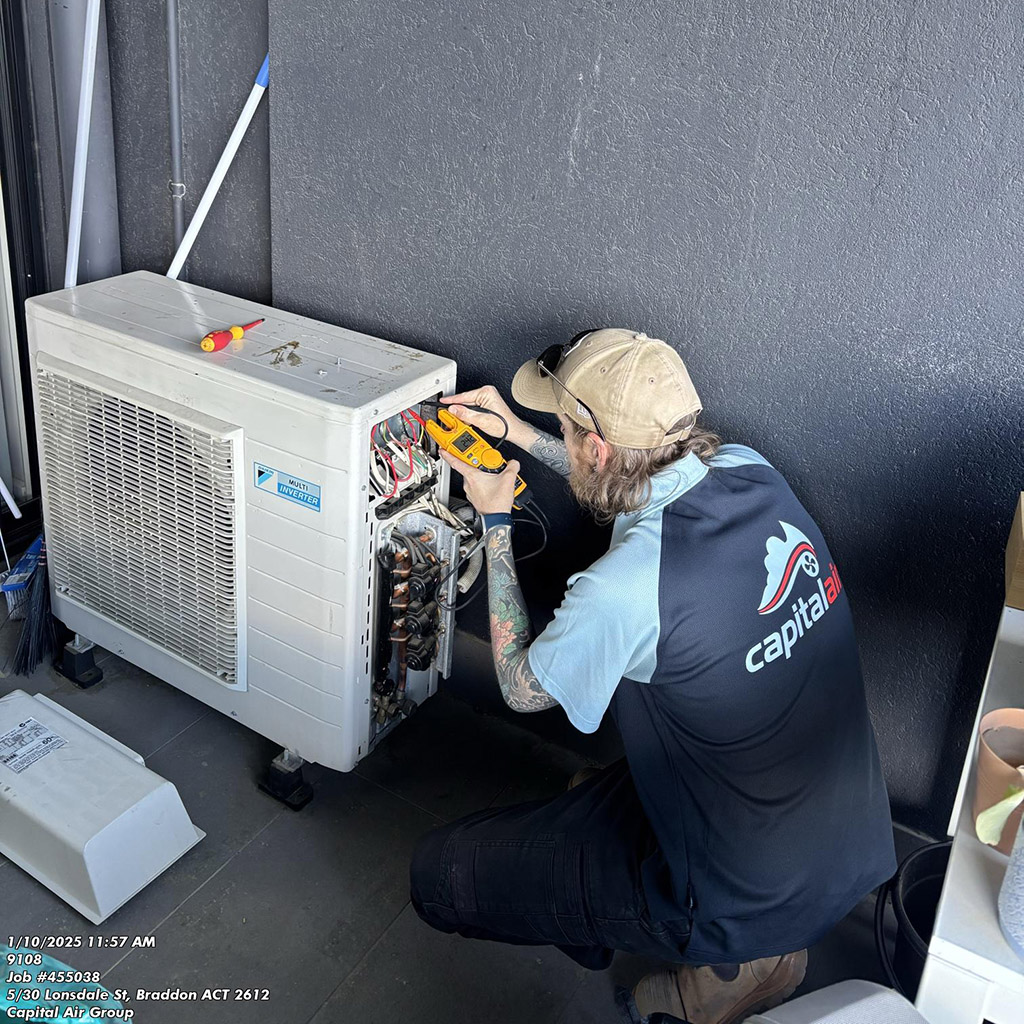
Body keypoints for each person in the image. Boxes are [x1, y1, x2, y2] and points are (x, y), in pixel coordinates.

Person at [410, 328, 896, 1024]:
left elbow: (521, 686)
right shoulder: (750, 470)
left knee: (442, 875)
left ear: (597, 446)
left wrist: (493, 519)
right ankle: (735, 934)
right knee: (585, 808)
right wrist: (517, 432)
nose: (560, 434)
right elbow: (632, 487)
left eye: (565, 426)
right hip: (842, 836)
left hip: (741, 886)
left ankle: (734, 963)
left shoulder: (626, 589)